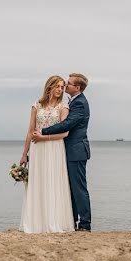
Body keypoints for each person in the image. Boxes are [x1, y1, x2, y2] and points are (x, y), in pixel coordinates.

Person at [33, 73, 91, 231]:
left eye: (69, 83)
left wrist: (43, 131)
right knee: (70, 188)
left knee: (78, 188)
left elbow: (67, 124)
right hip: (69, 150)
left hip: (76, 151)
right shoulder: (74, 101)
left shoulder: (79, 104)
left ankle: (85, 224)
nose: (65, 85)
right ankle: (71, 221)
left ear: (77, 88)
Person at [19, 75, 75, 233]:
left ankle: (53, 222)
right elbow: (30, 131)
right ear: (49, 86)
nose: (60, 90)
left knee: (53, 182)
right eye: (57, 86)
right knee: (38, 183)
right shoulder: (36, 105)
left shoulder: (63, 107)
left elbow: (65, 133)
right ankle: (36, 223)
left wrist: (44, 137)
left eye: (62, 87)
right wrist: (24, 154)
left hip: (54, 148)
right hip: (37, 150)